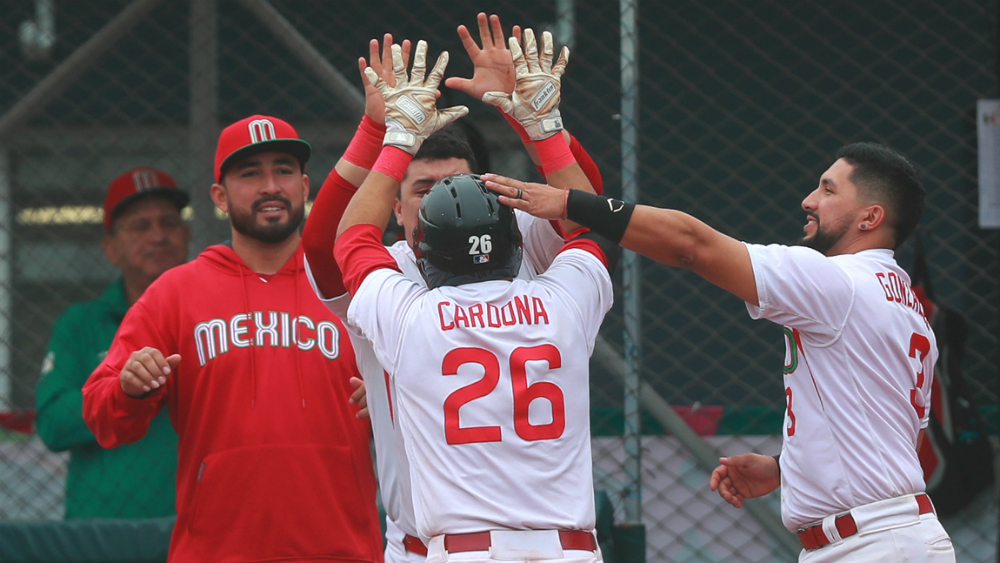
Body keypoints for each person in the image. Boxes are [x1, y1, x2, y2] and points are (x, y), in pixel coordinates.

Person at [483, 144, 956, 561]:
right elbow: (888, 441)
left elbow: (693, 246)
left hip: (876, 545)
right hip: (884, 536)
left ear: (870, 218)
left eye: (829, 190)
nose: (808, 200)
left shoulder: (841, 282)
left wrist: (571, 203)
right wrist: (786, 469)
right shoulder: (906, 302)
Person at [301, 17, 604, 563]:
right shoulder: (407, 267)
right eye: (423, 189)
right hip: (441, 541)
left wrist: (389, 135)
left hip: (455, 544)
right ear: (394, 207)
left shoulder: (393, 293)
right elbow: (589, 214)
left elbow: (341, 242)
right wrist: (538, 123)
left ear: (493, 192)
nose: (445, 199)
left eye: (458, 184)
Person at [81, 116, 382, 563]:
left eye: (282, 170)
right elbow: (102, 415)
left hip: (341, 548)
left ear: (304, 185)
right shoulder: (174, 293)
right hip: (217, 551)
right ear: (219, 196)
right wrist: (129, 387)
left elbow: (423, 398)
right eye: (249, 174)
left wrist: (388, 398)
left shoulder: (354, 285)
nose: (269, 186)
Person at [35, 167, 189, 519]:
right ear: (110, 248)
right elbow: (53, 426)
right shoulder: (82, 324)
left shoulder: (215, 314)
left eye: (168, 223)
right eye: (140, 227)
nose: (157, 236)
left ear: (187, 234)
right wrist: (125, 388)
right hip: (100, 535)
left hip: (202, 531)